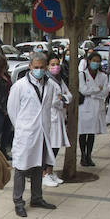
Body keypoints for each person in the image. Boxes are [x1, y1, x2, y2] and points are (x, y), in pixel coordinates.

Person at [6, 53, 58, 217]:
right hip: (26, 133)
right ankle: (18, 201)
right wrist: (22, 127)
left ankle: (37, 197)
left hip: (42, 133)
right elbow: (12, 110)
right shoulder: (20, 86)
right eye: (36, 67)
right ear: (30, 67)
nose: (39, 70)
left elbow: (48, 108)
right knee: (21, 168)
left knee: (38, 166)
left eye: (42, 67)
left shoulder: (49, 85)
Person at [77, 51, 109, 167]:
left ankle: (89, 156)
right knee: (83, 133)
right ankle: (82, 155)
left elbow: (105, 92)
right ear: (89, 61)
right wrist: (97, 89)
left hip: (97, 107)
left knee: (91, 134)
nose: (95, 63)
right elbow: (83, 90)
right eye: (93, 61)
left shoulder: (103, 76)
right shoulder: (83, 75)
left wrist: (93, 91)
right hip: (85, 107)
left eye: (98, 61)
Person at [42, 55, 69, 187]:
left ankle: (50, 172)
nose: (55, 67)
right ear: (47, 66)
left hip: (59, 117)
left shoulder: (59, 80)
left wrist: (62, 98)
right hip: (51, 118)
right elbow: (51, 101)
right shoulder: (47, 81)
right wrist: (61, 100)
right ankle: (44, 174)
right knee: (50, 147)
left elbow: (68, 95)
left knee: (56, 146)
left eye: (57, 64)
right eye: (52, 64)